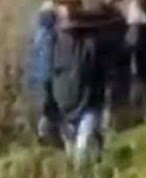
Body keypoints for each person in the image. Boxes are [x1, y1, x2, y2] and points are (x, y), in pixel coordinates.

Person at [48, 0, 129, 165]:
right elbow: (45, 72)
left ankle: (87, 173)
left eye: (71, 5)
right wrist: (46, 104)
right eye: (63, 5)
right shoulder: (52, 35)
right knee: (73, 152)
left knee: (83, 148)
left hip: (90, 101)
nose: (67, 10)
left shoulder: (94, 34)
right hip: (64, 103)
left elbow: (109, 64)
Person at [27, 1, 63, 143]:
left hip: (39, 79)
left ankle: (45, 136)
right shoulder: (52, 33)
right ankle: (48, 137)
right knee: (52, 112)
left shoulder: (38, 32)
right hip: (50, 78)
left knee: (47, 111)